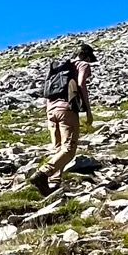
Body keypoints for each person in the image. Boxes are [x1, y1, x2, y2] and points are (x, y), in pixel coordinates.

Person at [39, 43, 96, 189]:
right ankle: (43, 173)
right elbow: (81, 84)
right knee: (69, 149)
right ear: (85, 55)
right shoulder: (82, 65)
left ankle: (53, 183)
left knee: (58, 148)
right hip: (67, 109)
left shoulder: (61, 67)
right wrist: (88, 111)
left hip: (50, 109)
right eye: (89, 59)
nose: (89, 62)